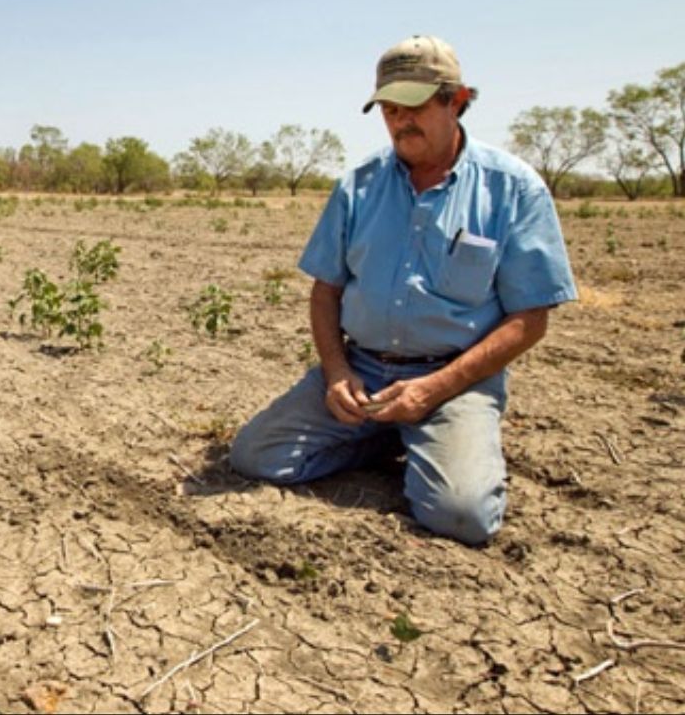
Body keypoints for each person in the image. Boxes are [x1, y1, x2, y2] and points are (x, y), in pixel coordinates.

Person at [229, 35, 577, 545]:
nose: (400, 121)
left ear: (456, 101)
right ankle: (382, 434)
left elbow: (531, 319)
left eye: (414, 106)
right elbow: (326, 291)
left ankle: (435, 440)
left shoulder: (512, 188)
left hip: (452, 381)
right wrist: (337, 371)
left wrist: (432, 391)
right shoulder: (358, 185)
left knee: (462, 517)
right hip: (363, 371)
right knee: (255, 456)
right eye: (389, 109)